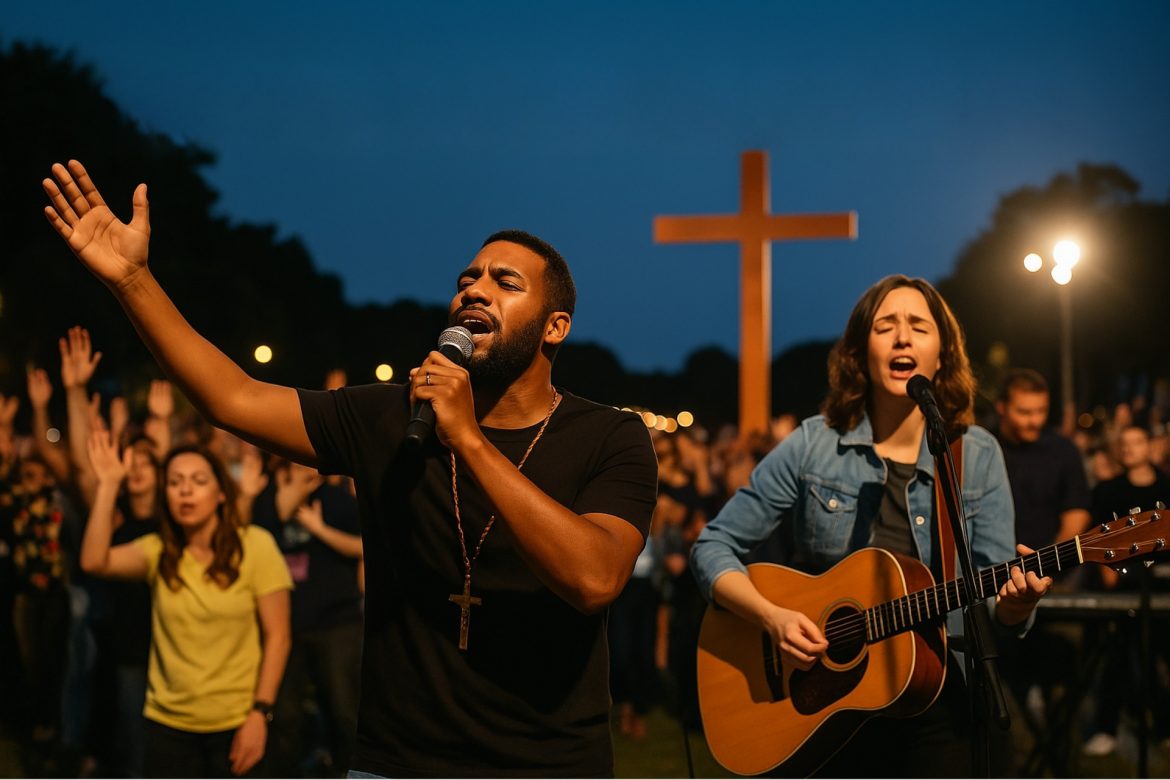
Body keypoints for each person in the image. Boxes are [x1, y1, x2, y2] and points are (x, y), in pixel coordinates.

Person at [43, 160, 658, 777]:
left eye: (506, 282)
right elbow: (232, 398)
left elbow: (594, 578)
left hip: (549, 764)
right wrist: (133, 281)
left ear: (555, 327)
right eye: (468, 278)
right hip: (396, 762)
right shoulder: (388, 415)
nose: (474, 290)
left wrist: (469, 439)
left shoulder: (610, 436)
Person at [690, 274, 1051, 777]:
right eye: (886, 326)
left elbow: (994, 607)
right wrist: (772, 618)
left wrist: (1016, 605)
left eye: (919, 327)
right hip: (824, 702)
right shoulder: (814, 444)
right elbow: (712, 546)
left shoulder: (976, 453)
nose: (902, 337)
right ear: (860, 353)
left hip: (940, 698)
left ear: (942, 355)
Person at [79, 432, 292, 778]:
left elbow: (279, 636)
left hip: (236, 720)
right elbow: (93, 561)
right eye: (175, 482)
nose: (185, 490)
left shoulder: (255, 546)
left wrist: (260, 713)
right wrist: (108, 485)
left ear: (221, 493)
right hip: (168, 724)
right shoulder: (158, 550)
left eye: (199, 481)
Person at [1081, 424, 1170, 757]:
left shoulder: (1166, 487)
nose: (1130, 448)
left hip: (1163, 587)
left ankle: (1163, 725)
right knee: (1117, 656)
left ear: (1149, 446)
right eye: (1124, 443)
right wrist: (1106, 573)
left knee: (1157, 655)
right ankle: (1107, 726)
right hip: (1122, 586)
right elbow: (1096, 536)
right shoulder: (1108, 490)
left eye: (1137, 442)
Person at [994, 368, 1091, 550]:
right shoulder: (986, 450)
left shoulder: (1063, 450)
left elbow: (1077, 512)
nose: (1035, 421)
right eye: (1024, 412)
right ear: (1001, 407)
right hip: (993, 561)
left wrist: (1052, 559)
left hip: (1050, 561)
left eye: (1041, 410)